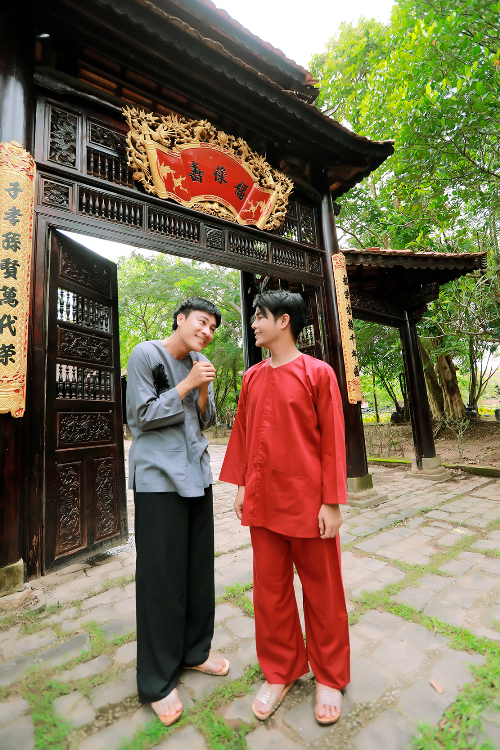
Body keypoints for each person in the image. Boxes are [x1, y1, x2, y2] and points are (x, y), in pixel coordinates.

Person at [219, 290, 349, 725]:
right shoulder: (251, 377)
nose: (254, 323)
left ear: (284, 321)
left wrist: (331, 502)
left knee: (323, 592)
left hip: (310, 503)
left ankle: (329, 676)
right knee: (269, 592)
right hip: (263, 500)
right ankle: (281, 671)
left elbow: (332, 440)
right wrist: (242, 486)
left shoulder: (318, 373)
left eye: (261, 316)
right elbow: (243, 432)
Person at [126, 297, 230, 726]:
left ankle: (194, 651)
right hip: (159, 480)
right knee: (161, 578)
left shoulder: (200, 362)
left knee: (197, 572)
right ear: (180, 319)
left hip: (197, 476)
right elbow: (140, 417)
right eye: (201, 323)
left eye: (212, 329)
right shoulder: (145, 354)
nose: (206, 333)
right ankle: (156, 681)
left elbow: (204, 421)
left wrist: (202, 388)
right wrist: (187, 384)